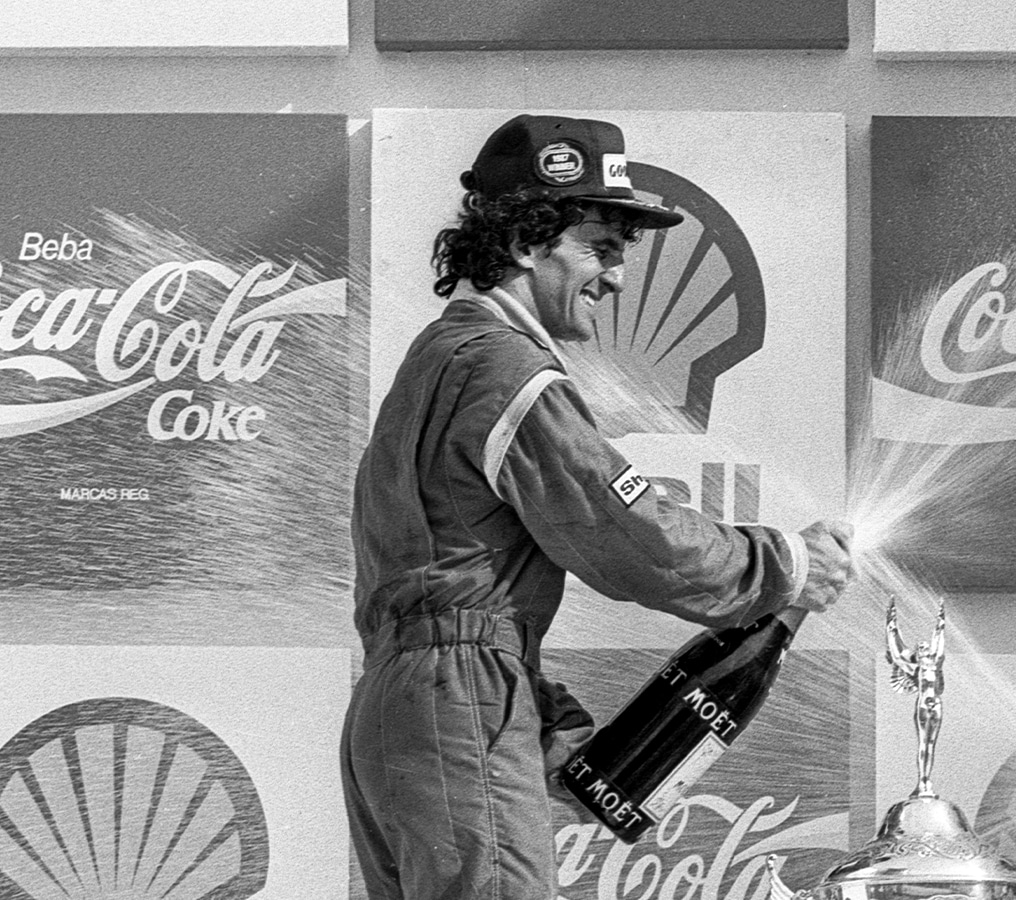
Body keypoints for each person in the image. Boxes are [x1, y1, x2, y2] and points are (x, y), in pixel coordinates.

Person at [341, 113, 855, 900]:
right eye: (601, 248)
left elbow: (432, 597)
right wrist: (784, 565)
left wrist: (539, 714)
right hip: (459, 713)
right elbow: (633, 540)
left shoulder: (436, 358)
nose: (616, 278)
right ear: (526, 242)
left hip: (393, 716)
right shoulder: (508, 370)